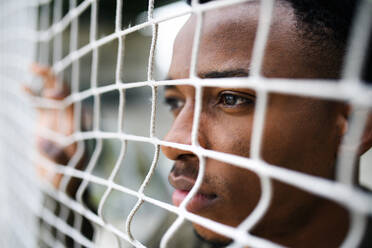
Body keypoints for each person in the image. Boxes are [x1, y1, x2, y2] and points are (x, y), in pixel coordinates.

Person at [30, 0, 372, 247]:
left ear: (355, 125)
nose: (172, 142)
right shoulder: (190, 231)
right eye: (175, 102)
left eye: (231, 98)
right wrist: (68, 187)